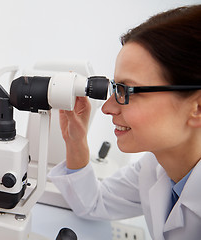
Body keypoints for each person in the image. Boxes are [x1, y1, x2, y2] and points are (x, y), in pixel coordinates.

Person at [48, 5, 201, 240]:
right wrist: (75, 140)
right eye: (115, 88)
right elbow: (94, 203)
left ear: (197, 107)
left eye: (127, 91)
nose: (108, 108)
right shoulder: (155, 167)